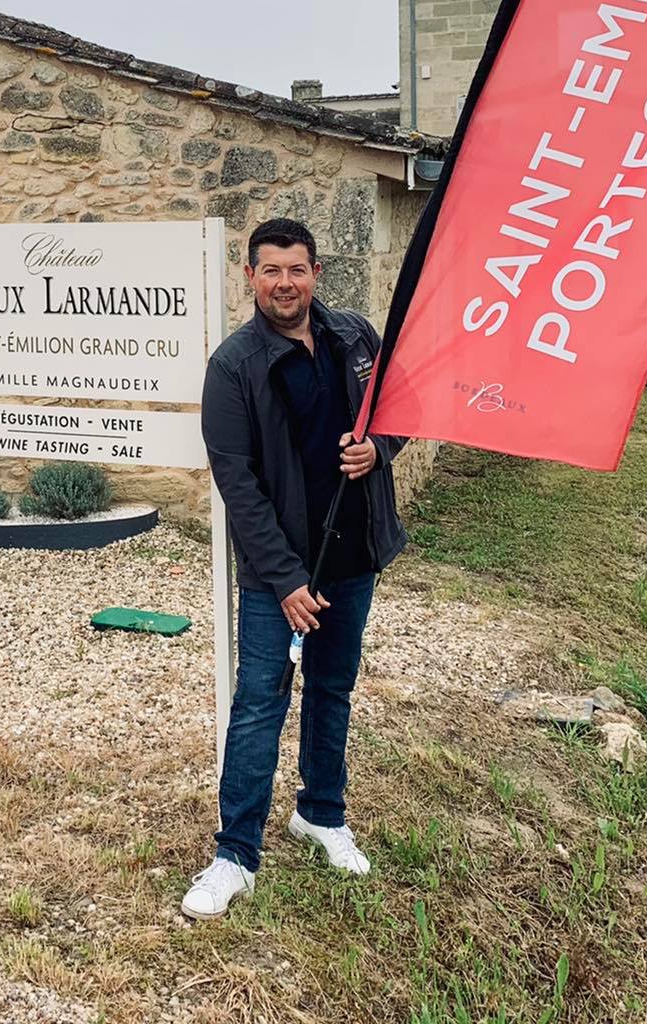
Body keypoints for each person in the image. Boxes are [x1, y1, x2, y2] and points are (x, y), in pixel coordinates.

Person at [182, 217, 407, 919]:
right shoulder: (233, 366)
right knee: (258, 706)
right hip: (279, 575)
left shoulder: (356, 338)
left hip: (351, 555)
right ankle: (234, 854)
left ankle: (321, 813)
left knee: (333, 689)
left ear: (316, 274)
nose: (285, 283)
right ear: (249, 276)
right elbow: (237, 483)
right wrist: (285, 582)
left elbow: (402, 408)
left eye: (297, 269)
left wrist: (382, 449)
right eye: (271, 270)